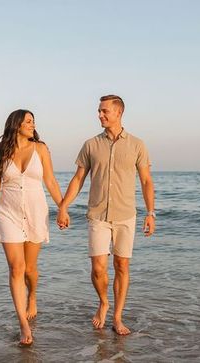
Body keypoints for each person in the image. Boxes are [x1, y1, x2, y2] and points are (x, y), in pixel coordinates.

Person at [57, 95, 155, 335]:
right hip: (98, 214)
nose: (100, 115)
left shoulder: (137, 145)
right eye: (99, 111)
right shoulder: (91, 145)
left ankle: (118, 317)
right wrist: (63, 206)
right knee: (98, 268)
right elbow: (78, 178)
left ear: (118, 112)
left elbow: (145, 181)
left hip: (125, 215)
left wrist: (150, 212)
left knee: (121, 265)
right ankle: (104, 302)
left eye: (104, 111)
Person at [0, 109, 63, 345]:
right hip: (8, 211)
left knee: (30, 269)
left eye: (33, 121)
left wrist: (63, 207)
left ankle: (33, 296)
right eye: (28, 121)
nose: (32, 124)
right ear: (16, 124)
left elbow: (50, 180)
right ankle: (23, 323)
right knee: (16, 267)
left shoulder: (40, 148)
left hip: (36, 211)